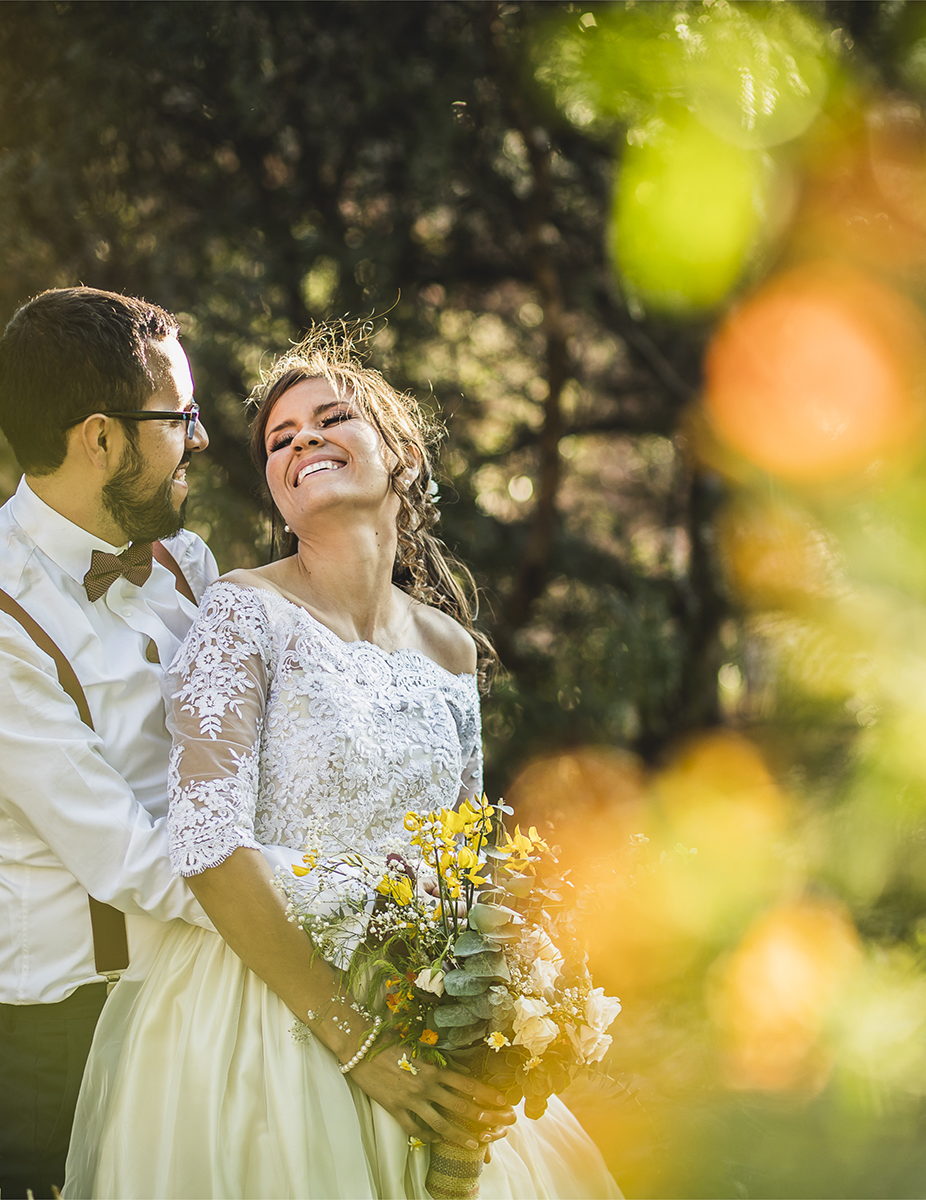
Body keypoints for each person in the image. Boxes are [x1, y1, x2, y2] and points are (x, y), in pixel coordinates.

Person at [63, 327, 620, 1198]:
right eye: (280, 440)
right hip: (267, 1018)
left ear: (401, 456)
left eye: (329, 420)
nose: (303, 442)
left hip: (418, 1003)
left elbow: (461, 863)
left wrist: (493, 1007)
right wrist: (362, 1049)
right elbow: (208, 848)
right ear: (278, 495)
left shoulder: (450, 649)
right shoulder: (241, 613)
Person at [0, 287, 223, 1200]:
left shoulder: (183, 563)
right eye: (179, 416)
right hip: (74, 1036)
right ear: (100, 439)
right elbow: (129, 859)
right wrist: (318, 901)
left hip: (212, 989)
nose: (200, 438)